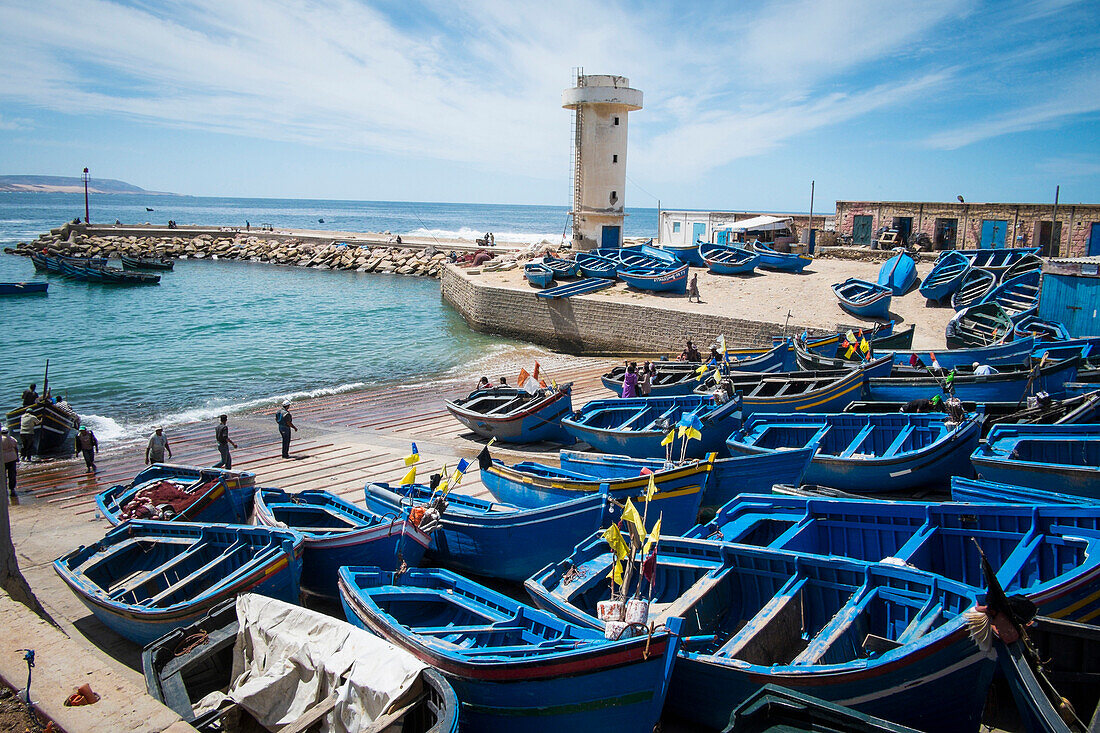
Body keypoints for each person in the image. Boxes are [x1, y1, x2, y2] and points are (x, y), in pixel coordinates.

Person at [2, 427, 18, 499]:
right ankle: (12, 489)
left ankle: (4, 490)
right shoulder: (12, 439)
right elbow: (16, 448)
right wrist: (17, 457)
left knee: (3, 475)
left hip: (3, 460)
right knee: (12, 475)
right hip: (12, 458)